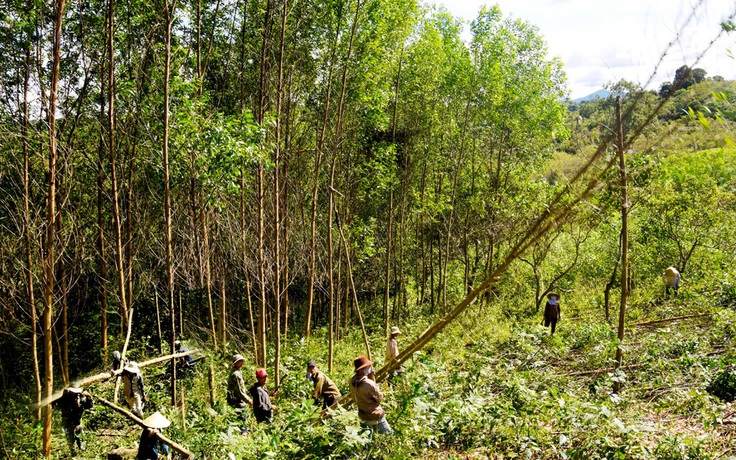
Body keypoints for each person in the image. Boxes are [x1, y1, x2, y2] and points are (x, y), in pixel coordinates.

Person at [349, 356, 392, 437]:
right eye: (368, 367)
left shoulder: (352, 381)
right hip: (375, 415)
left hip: (362, 414)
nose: (370, 368)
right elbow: (380, 398)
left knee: (366, 439)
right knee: (388, 435)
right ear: (361, 370)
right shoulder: (369, 383)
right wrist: (372, 380)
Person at [55, 387, 93, 453]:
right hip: (67, 419)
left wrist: (89, 397)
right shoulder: (64, 397)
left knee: (80, 435)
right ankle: (72, 451)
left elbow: (89, 406)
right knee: (69, 436)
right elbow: (56, 406)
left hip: (77, 419)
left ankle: (82, 450)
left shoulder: (81, 397)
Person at [227, 354, 252, 434]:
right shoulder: (236, 374)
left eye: (242, 361)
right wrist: (248, 400)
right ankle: (244, 433)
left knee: (241, 417)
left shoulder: (238, 371)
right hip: (237, 400)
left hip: (236, 399)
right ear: (235, 363)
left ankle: (243, 431)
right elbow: (239, 391)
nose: (241, 363)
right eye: (239, 361)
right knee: (242, 415)